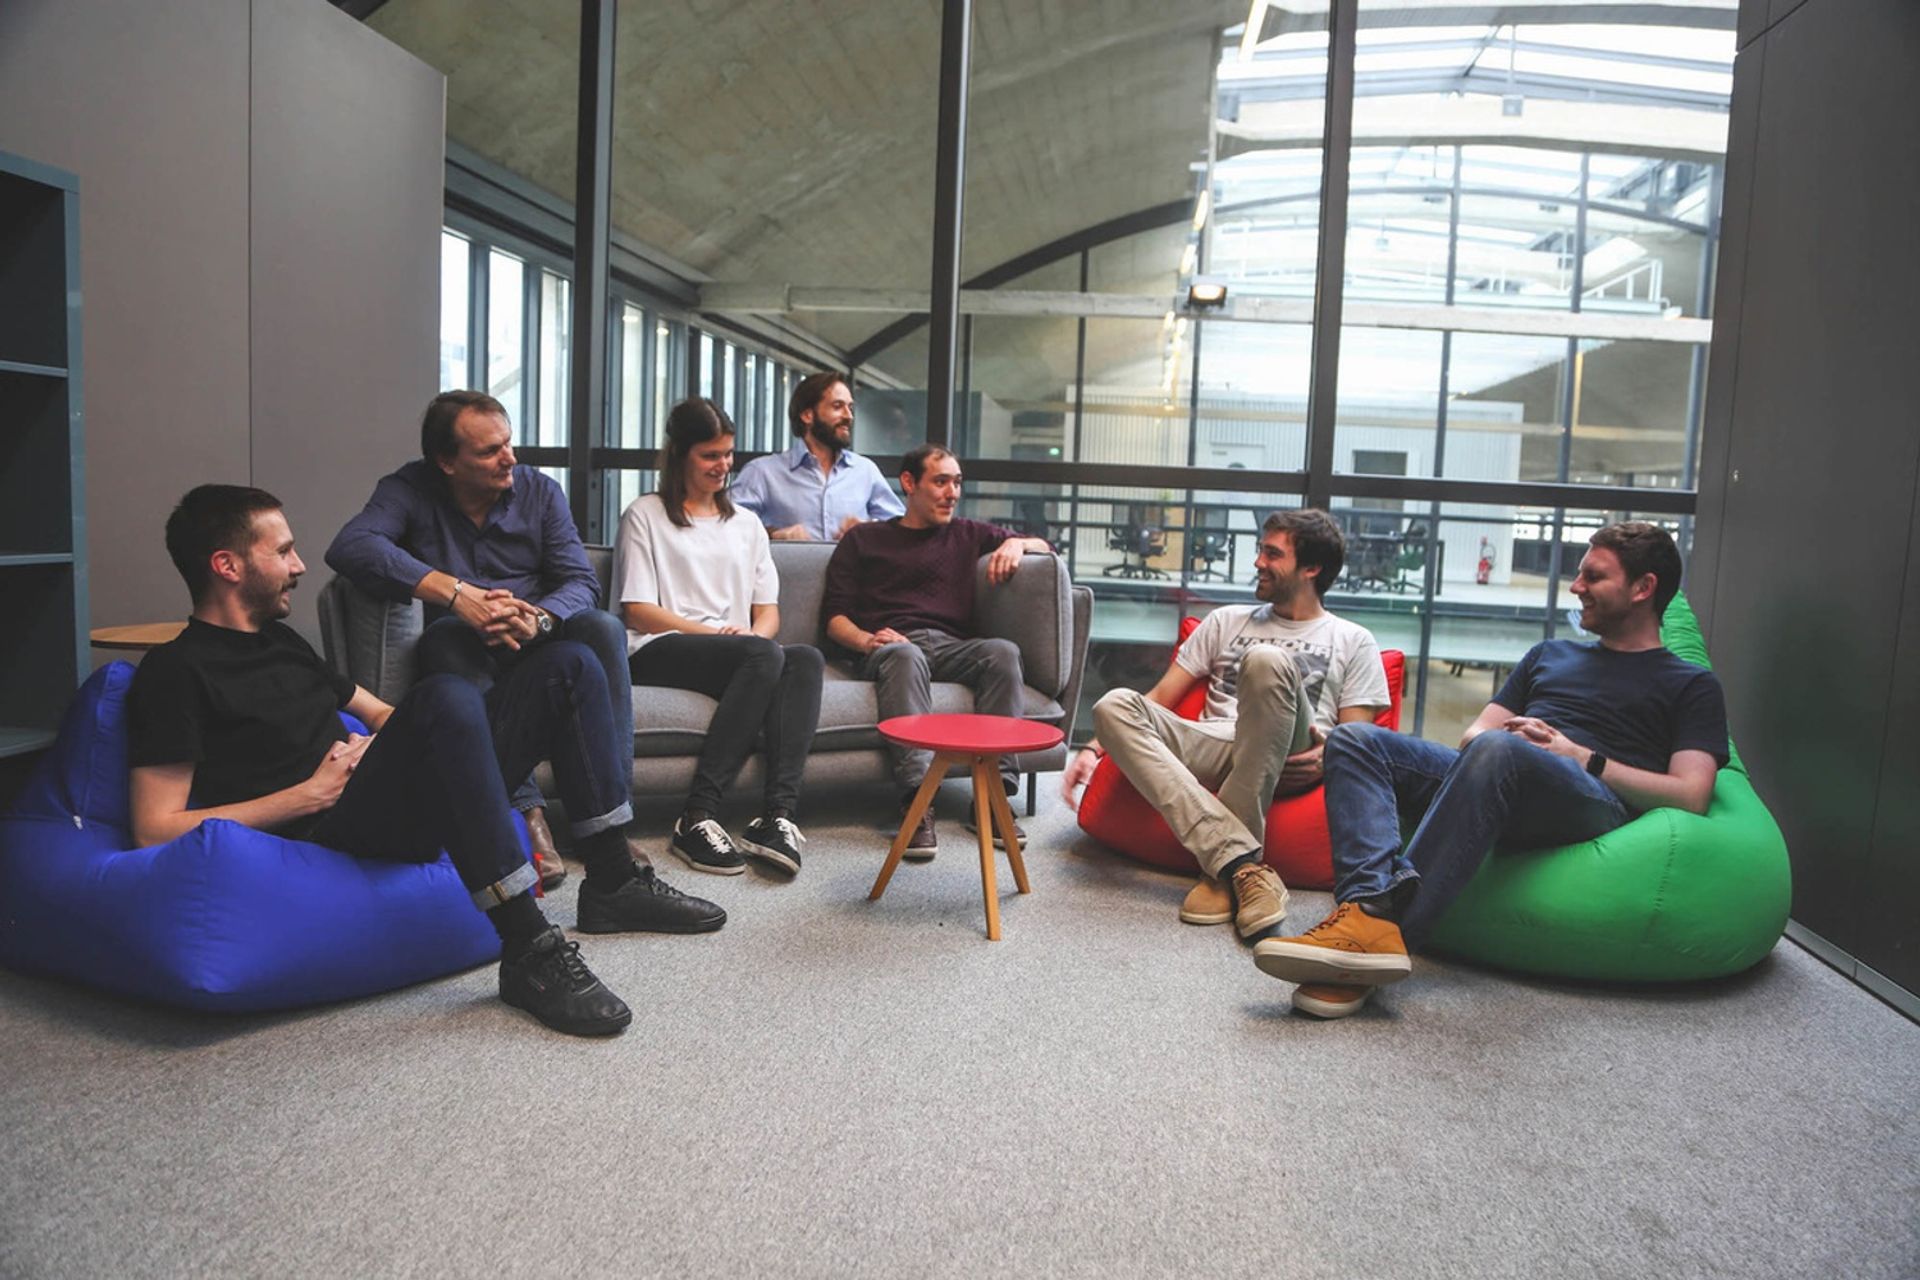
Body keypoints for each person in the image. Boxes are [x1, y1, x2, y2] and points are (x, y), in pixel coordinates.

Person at [129, 486, 724, 1037]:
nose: (300, 565)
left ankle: (613, 879)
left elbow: (381, 714)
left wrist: (377, 747)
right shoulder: (175, 673)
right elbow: (154, 827)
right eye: (282, 551)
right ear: (228, 566)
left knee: (570, 663)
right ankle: (527, 949)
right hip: (325, 828)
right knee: (445, 695)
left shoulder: (282, 642)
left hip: (378, 794)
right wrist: (309, 794)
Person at [1253, 522, 1727, 1019]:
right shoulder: (1549, 654)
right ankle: (1365, 907)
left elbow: (1690, 794)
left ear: (1643, 588)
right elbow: (1475, 736)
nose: (1576, 587)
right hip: (1498, 770)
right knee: (1354, 740)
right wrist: (1514, 741)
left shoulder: (1690, 685)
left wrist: (1578, 755)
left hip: (1586, 796)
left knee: (1499, 750)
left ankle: (1380, 933)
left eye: (1593, 577)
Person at [326, 390, 635, 889]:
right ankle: (526, 815)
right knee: (446, 640)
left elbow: (581, 580)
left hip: (540, 637)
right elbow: (352, 545)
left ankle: (608, 825)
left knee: (601, 627)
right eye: (491, 451)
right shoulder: (409, 489)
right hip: (461, 640)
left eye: (508, 443)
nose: (509, 457)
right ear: (447, 462)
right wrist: (457, 595)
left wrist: (538, 618)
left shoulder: (539, 491)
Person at [1061, 509, 1391, 940]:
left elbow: (1356, 740)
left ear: (1311, 568)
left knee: (1266, 660)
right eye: (1260, 551)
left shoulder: (1353, 640)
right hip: (1214, 742)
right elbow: (1158, 699)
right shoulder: (1226, 620)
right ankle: (1238, 866)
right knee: (1112, 706)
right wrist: (1093, 748)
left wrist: (1326, 758)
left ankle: (1224, 869)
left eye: (1273, 554)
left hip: (1289, 751)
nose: (1258, 562)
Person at [613, 398, 825, 876]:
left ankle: (777, 817)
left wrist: (751, 637)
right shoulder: (645, 514)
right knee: (762, 657)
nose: (723, 465)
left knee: (806, 658)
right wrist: (724, 637)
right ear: (679, 455)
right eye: (710, 455)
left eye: (728, 454)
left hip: (740, 652)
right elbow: (639, 610)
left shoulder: (746, 524)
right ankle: (697, 816)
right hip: (659, 647)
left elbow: (767, 613)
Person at [822, 445, 1051, 856]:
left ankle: (994, 798)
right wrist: (867, 640)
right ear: (909, 483)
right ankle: (917, 801)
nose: (953, 493)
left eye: (957, 482)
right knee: (906, 655)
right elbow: (834, 617)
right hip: (891, 647)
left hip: (951, 647)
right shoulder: (865, 539)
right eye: (941, 481)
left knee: (1002, 652)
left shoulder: (968, 534)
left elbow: (1043, 546)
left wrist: (1017, 545)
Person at [732, 371, 904, 541]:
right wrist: (773, 534)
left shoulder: (865, 471)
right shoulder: (762, 472)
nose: (849, 416)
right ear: (808, 415)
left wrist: (868, 529)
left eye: (850, 408)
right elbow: (728, 525)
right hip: (789, 561)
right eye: (837, 406)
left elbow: (902, 528)